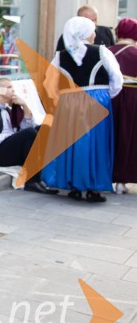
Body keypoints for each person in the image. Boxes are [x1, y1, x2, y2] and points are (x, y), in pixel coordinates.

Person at [43, 16, 123, 202]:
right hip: (97, 99)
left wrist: (60, 99)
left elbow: (48, 82)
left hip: (69, 101)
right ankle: (94, 187)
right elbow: (116, 80)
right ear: (86, 33)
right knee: (97, 143)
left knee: (72, 142)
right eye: (92, 30)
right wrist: (105, 95)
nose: (95, 34)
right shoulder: (102, 52)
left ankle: (73, 186)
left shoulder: (60, 56)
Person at [0, 77, 57, 194]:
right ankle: (32, 181)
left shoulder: (9, 108)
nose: (13, 90)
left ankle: (44, 175)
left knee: (43, 129)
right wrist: (13, 135)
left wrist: (25, 106)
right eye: (9, 87)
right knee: (29, 133)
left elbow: (27, 128)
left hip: (9, 150)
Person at [111, 18, 137, 193]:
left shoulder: (104, 51)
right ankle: (122, 181)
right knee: (128, 138)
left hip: (108, 98)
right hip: (132, 100)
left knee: (110, 138)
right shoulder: (135, 54)